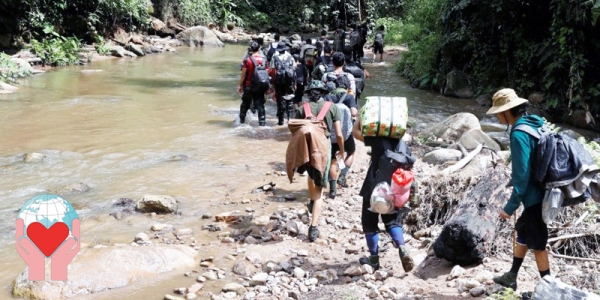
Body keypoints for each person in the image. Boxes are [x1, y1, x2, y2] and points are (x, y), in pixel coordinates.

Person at [487, 88, 549, 291]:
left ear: (508, 111)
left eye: (498, 112)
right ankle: (512, 276)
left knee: (538, 244)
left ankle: (548, 287)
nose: (496, 116)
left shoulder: (518, 134)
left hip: (534, 197)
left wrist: (510, 207)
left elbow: (521, 177)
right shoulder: (532, 124)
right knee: (523, 230)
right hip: (543, 191)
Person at [352, 112, 414, 272]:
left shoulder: (376, 139)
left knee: (370, 222)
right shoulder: (402, 143)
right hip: (395, 188)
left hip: (374, 187)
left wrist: (361, 117)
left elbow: (355, 133)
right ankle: (403, 248)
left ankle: (373, 259)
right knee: (392, 221)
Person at [294, 80, 345, 242]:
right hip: (323, 148)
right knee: (320, 190)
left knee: (311, 175)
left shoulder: (302, 109)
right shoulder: (332, 107)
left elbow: (294, 133)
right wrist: (342, 151)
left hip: (307, 149)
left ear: (309, 93)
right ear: (323, 93)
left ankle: (310, 200)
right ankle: (313, 227)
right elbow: (338, 134)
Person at [324, 75, 357, 197]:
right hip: (345, 133)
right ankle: (342, 176)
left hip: (330, 133)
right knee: (351, 151)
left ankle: (332, 189)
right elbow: (354, 112)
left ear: (336, 85)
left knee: (333, 160)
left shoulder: (327, 96)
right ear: (348, 87)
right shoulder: (349, 97)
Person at [238, 42, 268, 126]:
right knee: (261, 106)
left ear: (251, 49)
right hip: (261, 86)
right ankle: (262, 124)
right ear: (259, 49)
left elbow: (243, 74)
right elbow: (267, 73)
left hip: (249, 85)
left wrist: (240, 85)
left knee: (245, 105)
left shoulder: (247, 60)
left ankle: (241, 123)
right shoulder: (264, 59)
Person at [271, 42, 296, 125]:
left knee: (280, 101)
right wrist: (294, 83)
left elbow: (273, 72)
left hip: (279, 83)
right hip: (289, 82)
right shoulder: (290, 57)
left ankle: (281, 122)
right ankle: (290, 121)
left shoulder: (275, 57)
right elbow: (294, 70)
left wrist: (273, 85)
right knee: (290, 101)